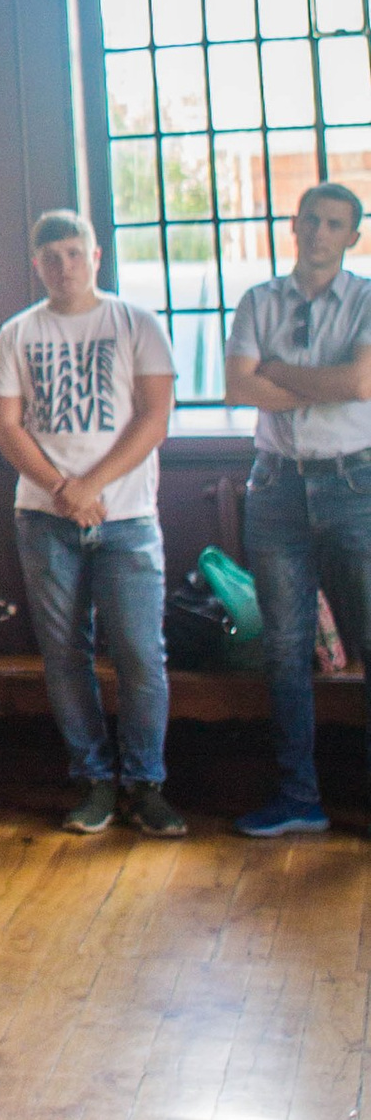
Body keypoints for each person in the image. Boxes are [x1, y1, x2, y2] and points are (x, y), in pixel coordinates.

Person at [0, 210, 181, 839]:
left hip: (127, 518)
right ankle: (94, 781)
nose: (64, 266)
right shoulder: (17, 334)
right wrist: (64, 490)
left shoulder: (137, 324)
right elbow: (5, 427)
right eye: (52, 256)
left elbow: (154, 419)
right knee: (65, 655)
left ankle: (146, 785)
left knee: (140, 655)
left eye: (75, 253)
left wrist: (90, 487)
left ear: (96, 257)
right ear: (36, 264)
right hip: (45, 519)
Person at [225, 177, 371, 839]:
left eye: (334, 223)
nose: (319, 232)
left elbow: (359, 382)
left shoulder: (367, 300)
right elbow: (236, 384)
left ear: (352, 236)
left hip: (355, 486)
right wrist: (314, 383)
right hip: (276, 488)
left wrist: (277, 371)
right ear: (294, 225)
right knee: (284, 650)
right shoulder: (258, 300)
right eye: (310, 220)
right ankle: (299, 798)